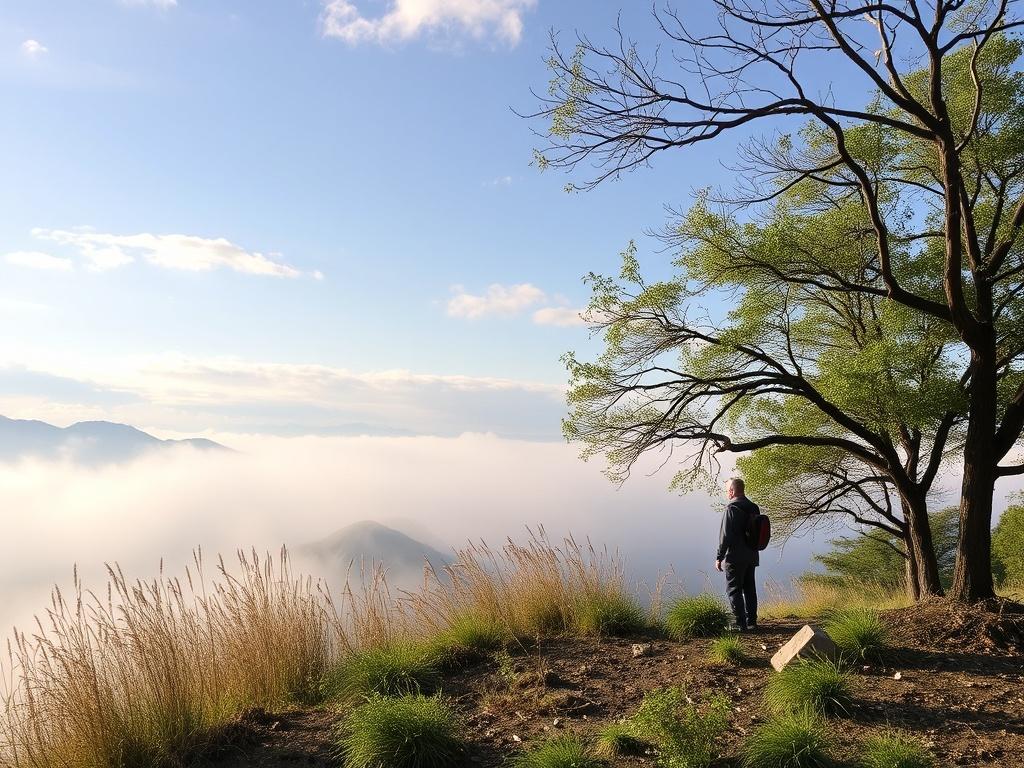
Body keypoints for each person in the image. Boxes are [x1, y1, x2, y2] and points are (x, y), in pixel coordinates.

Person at [715, 477, 759, 631]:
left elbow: (725, 536)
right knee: (749, 588)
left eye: (728, 490)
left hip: (735, 556)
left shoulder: (731, 508)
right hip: (752, 556)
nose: (727, 493)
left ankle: (740, 624)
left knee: (733, 589)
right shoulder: (754, 507)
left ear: (732, 491)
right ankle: (752, 622)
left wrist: (719, 557)